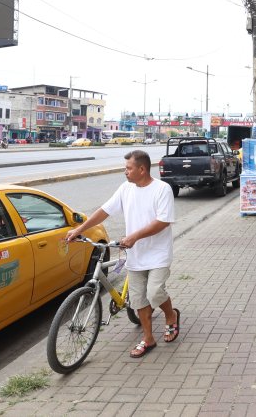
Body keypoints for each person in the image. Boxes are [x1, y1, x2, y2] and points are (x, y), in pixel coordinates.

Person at [65, 150, 180, 358]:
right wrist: (79, 230)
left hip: (158, 254)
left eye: (128, 168)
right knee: (138, 300)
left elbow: (163, 221)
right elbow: (104, 211)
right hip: (135, 255)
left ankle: (171, 316)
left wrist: (134, 236)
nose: (125, 172)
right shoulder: (125, 189)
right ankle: (148, 338)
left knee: (154, 292)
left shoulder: (162, 189)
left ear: (142, 169)